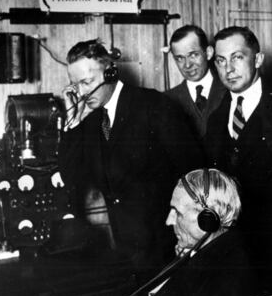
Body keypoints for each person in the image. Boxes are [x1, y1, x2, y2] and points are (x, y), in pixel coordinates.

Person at [57, 39, 205, 274]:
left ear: (111, 72)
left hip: (166, 246)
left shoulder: (155, 105)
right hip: (124, 251)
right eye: (76, 86)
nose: (82, 93)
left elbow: (194, 174)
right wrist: (73, 121)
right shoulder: (92, 122)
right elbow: (71, 176)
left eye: (87, 82)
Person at [204, 25, 272, 296]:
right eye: (220, 60)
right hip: (234, 250)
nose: (228, 68)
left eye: (237, 57)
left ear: (258, 59)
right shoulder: (217, 117)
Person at [144, 168, 257, 296]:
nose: (169, 221)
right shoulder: (201, 252)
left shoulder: (228, 274)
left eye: (177, 212)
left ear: (207, 219)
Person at [165, 25, 227, 138]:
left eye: (193, 55)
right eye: (180, 58)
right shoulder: (167, 100)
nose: (187, 65)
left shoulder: (231, 89)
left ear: (208, 53)